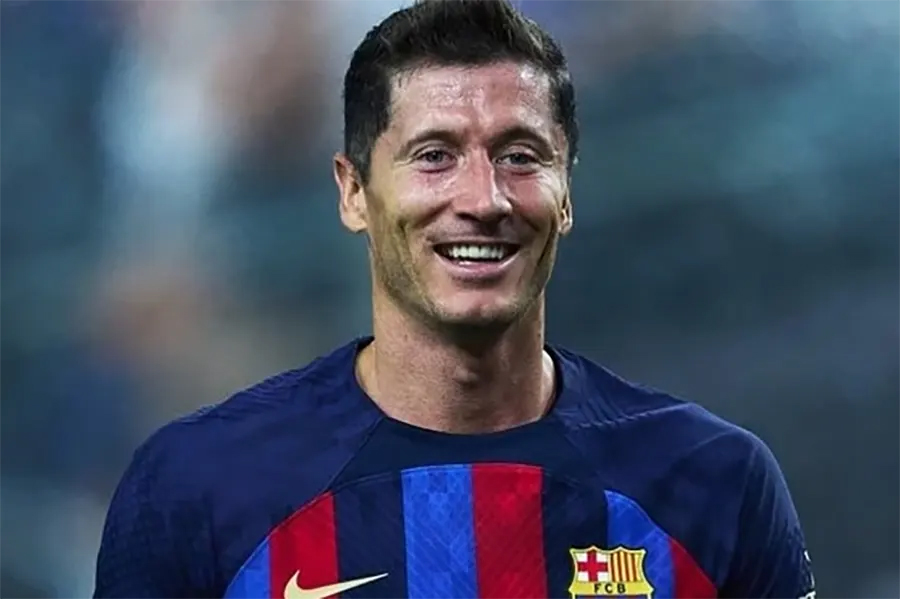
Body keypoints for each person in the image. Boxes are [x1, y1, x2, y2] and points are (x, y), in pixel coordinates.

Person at [94, 1, 816, 598]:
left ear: (568, 192)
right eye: (434, 156)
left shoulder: (715, 482)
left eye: (519, 156)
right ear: (352, 192)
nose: (483, 199)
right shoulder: (192, 488)